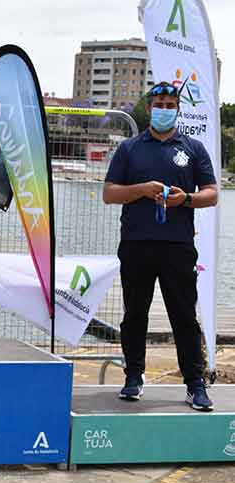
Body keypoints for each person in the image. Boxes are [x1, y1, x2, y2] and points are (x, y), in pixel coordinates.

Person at [103, 81, 217, 411]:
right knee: (134, 315)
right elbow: (109, 193)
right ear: (149, 108)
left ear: (178, 109)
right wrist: (140, 189)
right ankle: (133, 378)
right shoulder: (129, 148)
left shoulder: (193, 148)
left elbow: (212, 193)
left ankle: (195, 384)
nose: (164, 109)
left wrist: (187, 199)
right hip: (137, 244)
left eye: (170, 104)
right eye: (159, 104)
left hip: (178, 247)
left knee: (183, 316)